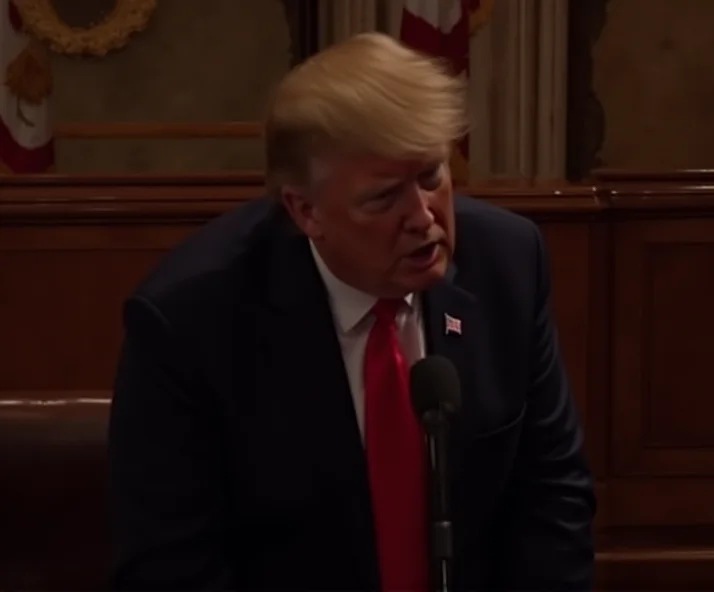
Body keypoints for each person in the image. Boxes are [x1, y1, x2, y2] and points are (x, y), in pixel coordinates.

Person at [109, 32, 595, 591]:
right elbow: (169, 566)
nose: (424, 216)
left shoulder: (509, 265)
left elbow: (553, 498)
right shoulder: (189, 320)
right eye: (384, 197)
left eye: (432, 176)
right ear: (305, 210)